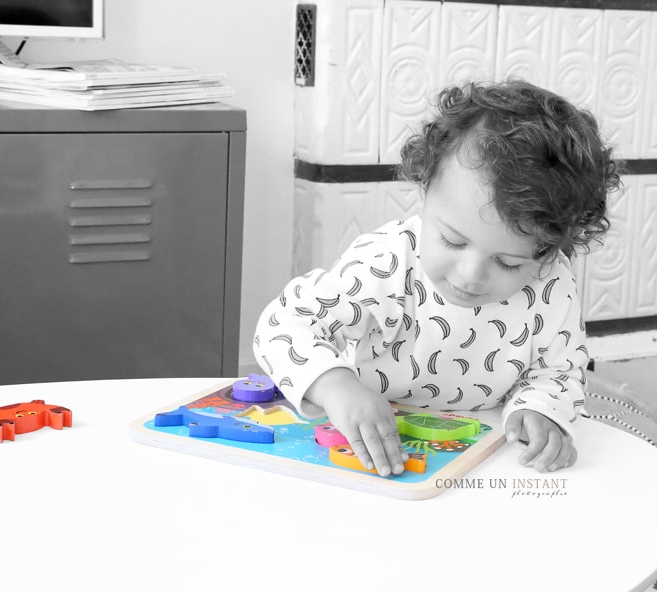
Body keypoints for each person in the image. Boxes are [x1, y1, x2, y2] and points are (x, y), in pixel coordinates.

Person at [254, 80, 621, 477]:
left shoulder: (551, 285)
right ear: (425, 190)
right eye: (452, 240)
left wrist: (540, 410)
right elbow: (285, 324)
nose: (471, 275)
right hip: (371, 450)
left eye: (509, 263)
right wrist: (335, 385)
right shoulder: (389, 260)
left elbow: (556, 371)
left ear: (549, 248)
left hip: (482, 462)